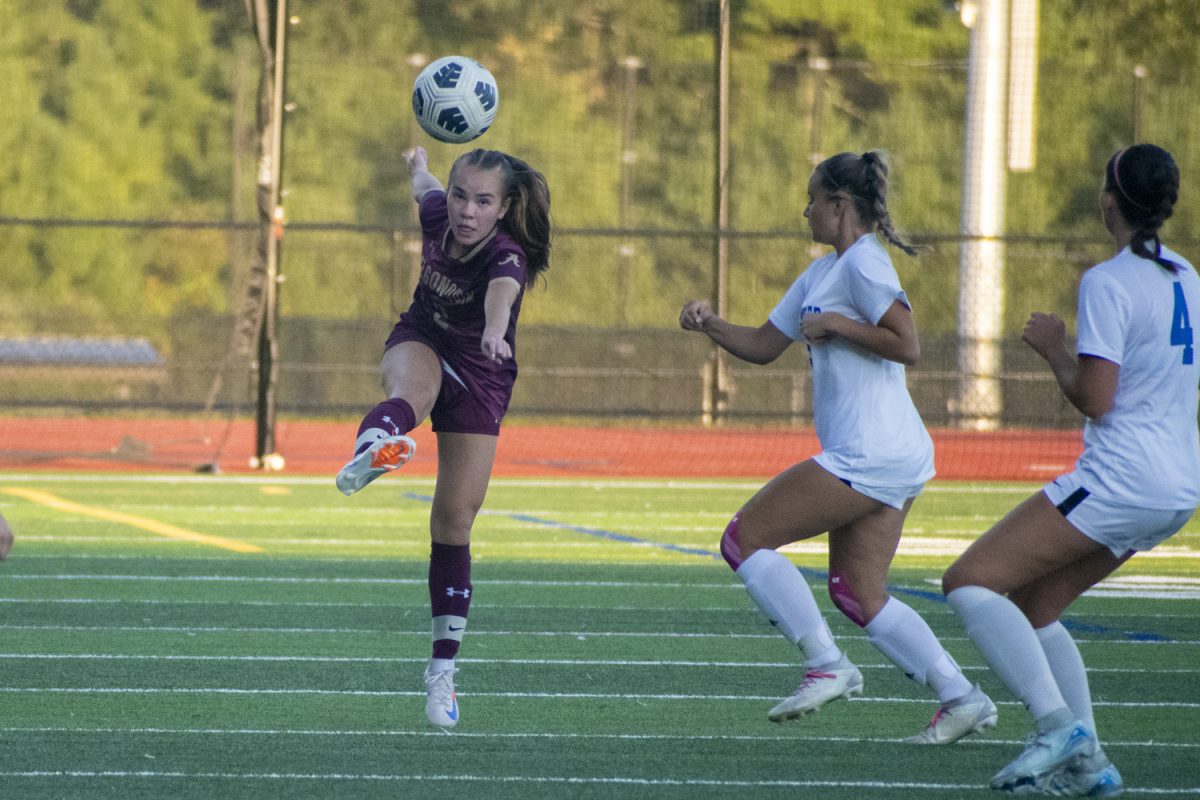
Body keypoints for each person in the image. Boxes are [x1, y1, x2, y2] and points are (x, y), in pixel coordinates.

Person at [680, 150, 996, 743]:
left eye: (812, 200)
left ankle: (826, 664)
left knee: (742, 540)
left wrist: (838, 326)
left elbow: (908, 344)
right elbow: (762, 345)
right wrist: (710, 323)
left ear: (839, 205)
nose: (804, 212)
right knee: (858, 593)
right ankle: (962, 696)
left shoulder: (862, 265)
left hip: (867, 453)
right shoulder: (823, 272)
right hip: (896, 454)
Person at [943, 143, 1199, 796]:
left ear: (1110, 199)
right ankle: (1090, 768)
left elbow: (1096, 398)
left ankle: (1058, 729)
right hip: (1176, 484)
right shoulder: (1187, 276)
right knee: (1037, 603)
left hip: (1122, 477)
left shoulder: (1109, 281)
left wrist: (1054, 349)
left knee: (969, 581)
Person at [336, 145, 551, 728]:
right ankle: (372, 448)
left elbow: (502, 294)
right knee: (413, 394)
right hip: (423, 337)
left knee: (453, 521)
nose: (466, 211)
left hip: (483, 370)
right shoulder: (438, 213)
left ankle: (442, 674)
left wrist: (496, 330)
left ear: (504, 208)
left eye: (483, 201)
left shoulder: (506, 254)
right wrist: (415, 165)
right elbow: (424, 187)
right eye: (461, 196)